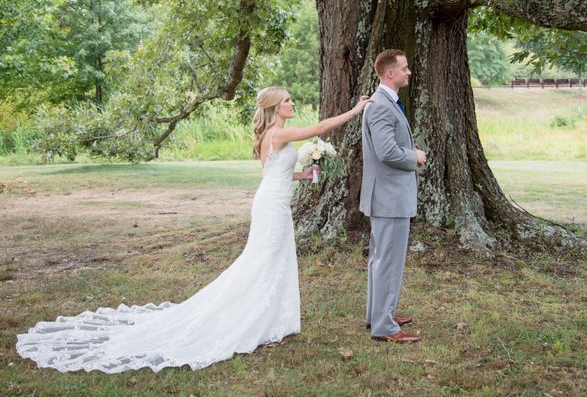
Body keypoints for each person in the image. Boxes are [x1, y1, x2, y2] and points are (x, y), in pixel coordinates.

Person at [16, 86, 371, 373]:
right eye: (288, 100)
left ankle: (271, 319)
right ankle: (252, 319)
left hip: (273, 200)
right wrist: (354, 111)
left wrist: (303, 173)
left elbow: (274, 173)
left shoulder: (271, 136)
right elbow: (322, 127)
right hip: (271, 206)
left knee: (271, 259)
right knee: (261, 261)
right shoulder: (279, 133)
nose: (292, 103)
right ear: (276, 107)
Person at [360, 49, 426, 343]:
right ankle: (384, 326)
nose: (408, 72)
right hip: (389, 198)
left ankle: (378, 315)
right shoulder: (382, 107)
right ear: (390, 73)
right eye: (404, 67)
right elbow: (386, 152)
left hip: (386, 197)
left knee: (380, 259)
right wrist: (414, 156)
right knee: (387, 261)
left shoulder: (384, 102)